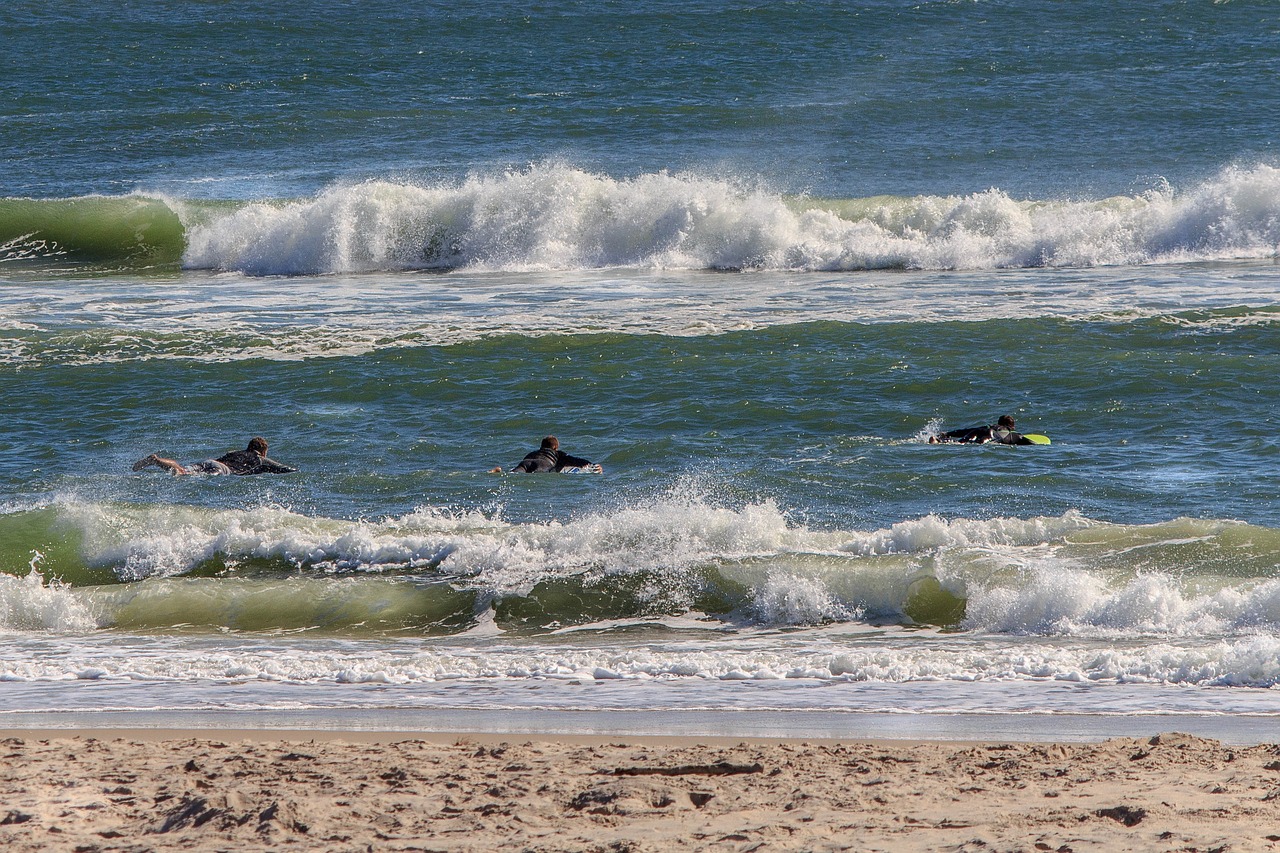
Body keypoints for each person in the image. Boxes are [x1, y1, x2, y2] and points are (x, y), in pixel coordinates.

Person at [132, 436, 297, 476]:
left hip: (211, 461)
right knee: (193, 476)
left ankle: (156, 460)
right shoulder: (260, 459)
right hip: (222, 469)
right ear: (263, 450)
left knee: (181, 469)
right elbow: (282, 468)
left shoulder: (234, 452)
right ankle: (182, 474)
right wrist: (296, 471)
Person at [489, 435, 602, 473]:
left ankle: (499, 471)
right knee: (537, 475)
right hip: (543, 464)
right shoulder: (558, 454)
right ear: (555, 447)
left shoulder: (532, 453)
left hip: (525, 462)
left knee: (515, 474)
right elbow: (576, 461)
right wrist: (593, 465)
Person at [929, 415, 1036, 445]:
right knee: (978, 443)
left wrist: (948, 433)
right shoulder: (1015, 435)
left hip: (983, 430)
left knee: (961, 441)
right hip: (991, 436)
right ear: (1012, 426)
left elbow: (965, 430)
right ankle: (939, 442)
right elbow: (1030, 442)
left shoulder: (991, 426)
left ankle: (940, 439)